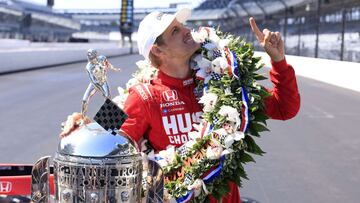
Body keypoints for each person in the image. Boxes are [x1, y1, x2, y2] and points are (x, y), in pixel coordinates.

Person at [60, 8, 300, 203]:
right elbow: (102, 136)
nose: (187, 30)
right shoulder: (142, 95)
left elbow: (284, 108)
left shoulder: (224, 79)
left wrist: (278, 61)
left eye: (182, 25)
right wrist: (83, 127)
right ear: (158, 49)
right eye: (175, 30)